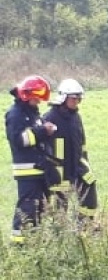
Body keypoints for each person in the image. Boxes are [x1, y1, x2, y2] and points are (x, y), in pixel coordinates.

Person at [5, 75, 58, 244]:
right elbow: (20, 140)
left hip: (39, 170)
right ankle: (19, 245)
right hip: (27, 171)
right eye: (36, 98)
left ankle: (35, 242)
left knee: (39, 208)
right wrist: (43, 131)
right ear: (26, 95)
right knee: (26, 209)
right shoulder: (15, 114)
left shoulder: (31, 113)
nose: (39, 102)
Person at [43, 78, 98, 227]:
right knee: (60, 205)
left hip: (78, 164)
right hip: (58, 169)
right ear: (63, 97)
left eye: (79, 99)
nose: (77, 102)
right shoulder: (50, 117)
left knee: (89, 186)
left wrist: (85, 162)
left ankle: (85, 226)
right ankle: (60, 234)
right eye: (74, 99)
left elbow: (82, 143)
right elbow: (43, 147)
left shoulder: (76, 118)